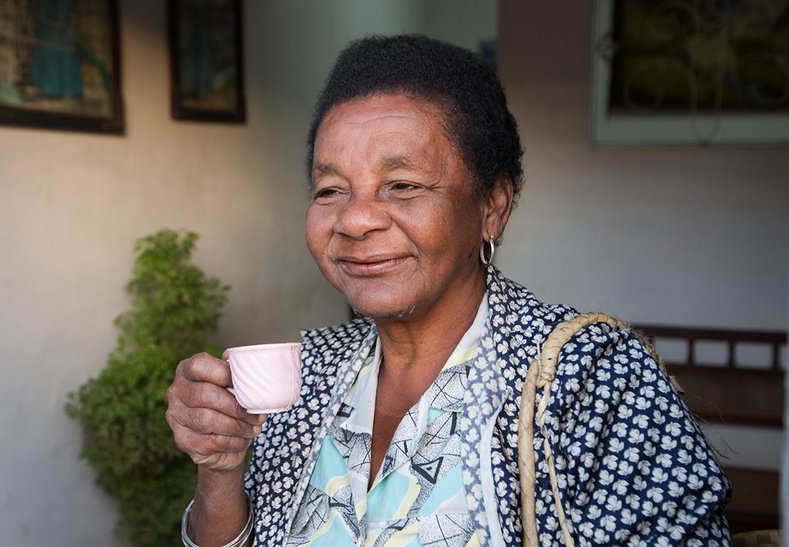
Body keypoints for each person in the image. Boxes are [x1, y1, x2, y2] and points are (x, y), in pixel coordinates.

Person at [166, 34, 732, 546]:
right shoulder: (308, 376)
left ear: (492, 207)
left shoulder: (591, 380)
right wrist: (221, 469)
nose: (355, 219)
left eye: (403, 185)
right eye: (330, 189)